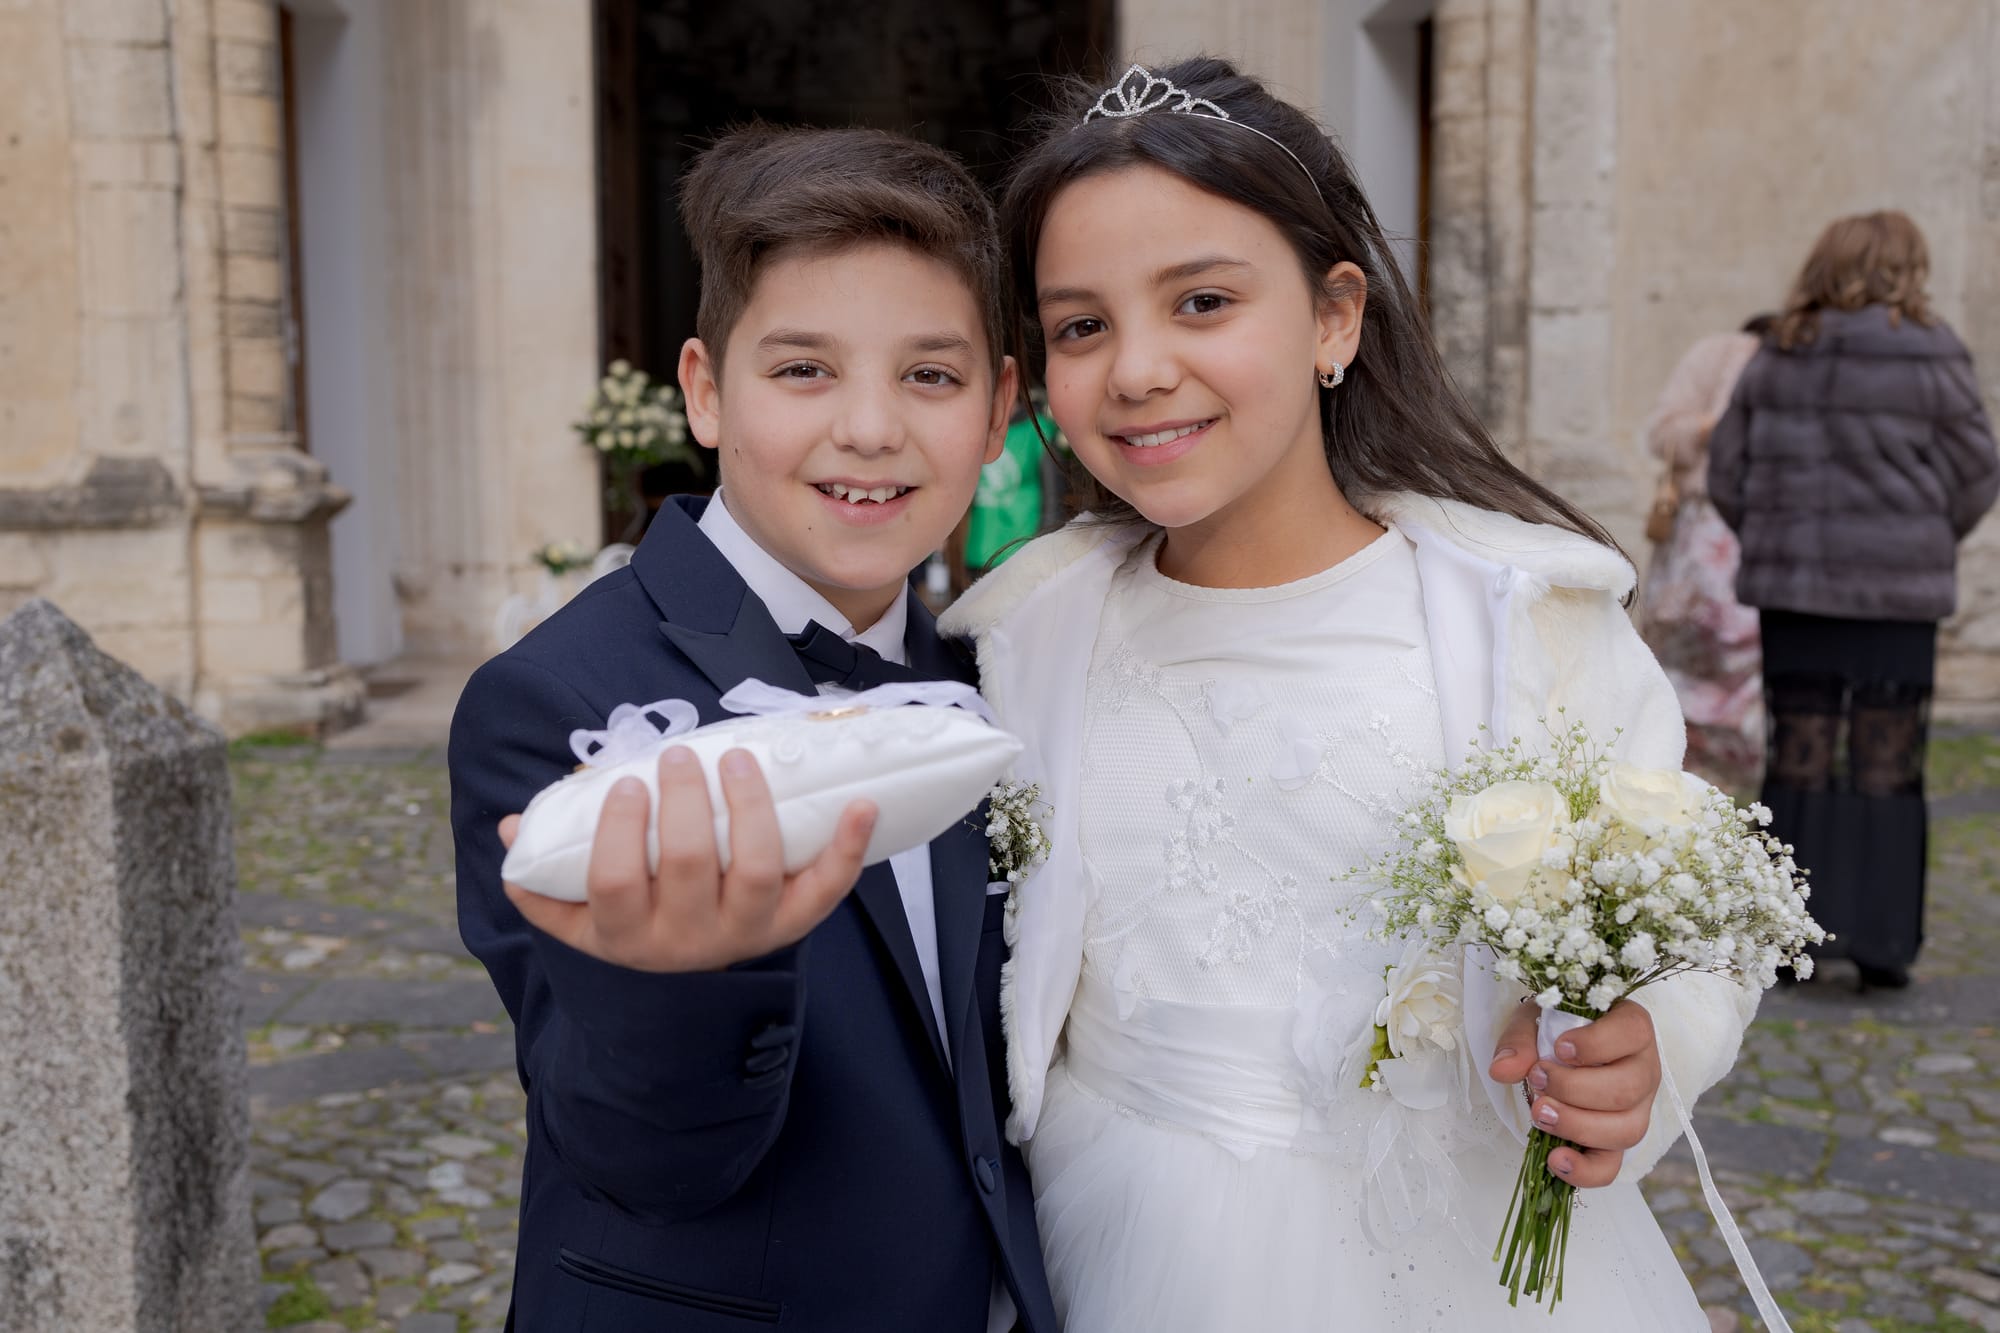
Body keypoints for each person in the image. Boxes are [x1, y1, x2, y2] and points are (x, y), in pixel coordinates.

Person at [939, 59, 1757, 1330]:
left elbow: (1674, 898)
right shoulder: (1022, 640)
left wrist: (1644, 1046)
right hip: (1118, 1230)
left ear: (1333, 318)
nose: (1139, 369)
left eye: (1201, 301)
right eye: (1080, 326)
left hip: (1457, 1247)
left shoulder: (1523, 616)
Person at [449, 125, 1057, 1331]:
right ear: (704, 391)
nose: (872, 429)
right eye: (803, 371)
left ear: (998, 413)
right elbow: (636, 1155)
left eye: (929, 376)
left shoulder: (994, 670)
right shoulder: (557, 700)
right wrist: (687, 977)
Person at [1709, 211, 1999, 990]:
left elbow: (1727, 474)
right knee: (1887, 758)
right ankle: (1881, 942)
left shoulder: (1778, 354)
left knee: (1798, 755)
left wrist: (1777, 535)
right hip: (1896, 595)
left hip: (1798, 594)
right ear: (1910, 268)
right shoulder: (1935, 354)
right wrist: (1923, 535)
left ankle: (1788, 939)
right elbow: (1978, 472)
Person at [1637, 316, 1773, 793]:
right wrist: (1713, 426)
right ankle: (1679, 771)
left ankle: (1750, 778)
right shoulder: (1718, 354)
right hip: (1703, 533)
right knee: (1687, 648)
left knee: (1751, 655)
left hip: (1769, 528)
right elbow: (1661, 434)